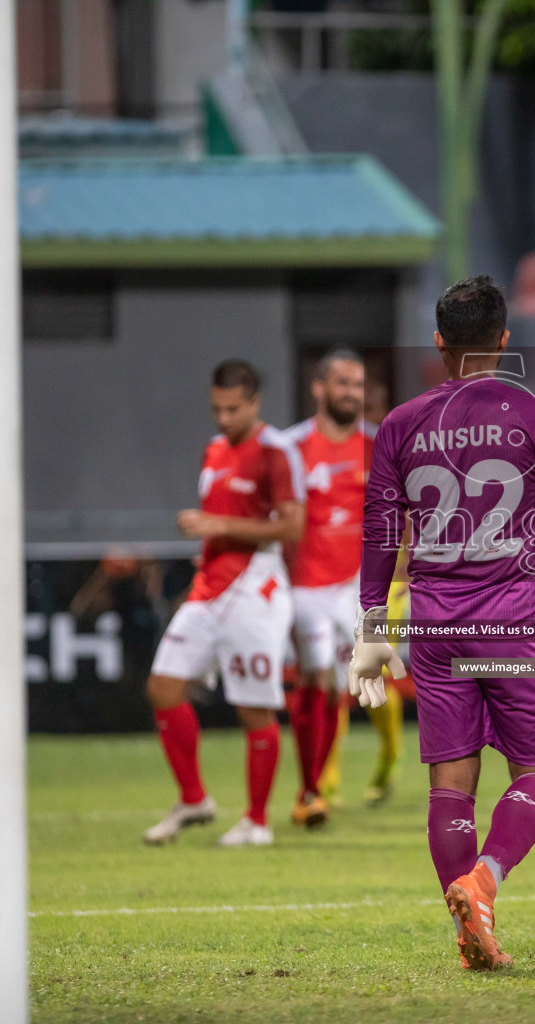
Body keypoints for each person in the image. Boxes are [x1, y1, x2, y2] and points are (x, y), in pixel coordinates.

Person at [350, 276, 535, 971]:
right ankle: (483, 881)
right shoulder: (533, 415)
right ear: (505, 341)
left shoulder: (401, 423)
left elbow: (382, 530)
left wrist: (370, 625)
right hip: (509, 616)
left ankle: (467, 931)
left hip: (435, 622)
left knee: (452, 781)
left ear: (439, 343)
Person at [142, 360, 304, 848]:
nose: (223, 419)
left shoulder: (276, 452)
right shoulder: (213, 451)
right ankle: (194, 798)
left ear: (254, 403)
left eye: (233, 409)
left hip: (255, 590)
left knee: (254, 708)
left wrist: (218, 528)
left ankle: (257, 820)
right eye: (217, 409)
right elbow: (225, 516)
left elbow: (293, 526)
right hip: (209, 587)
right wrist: (208, 544)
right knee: (163, 687)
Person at [281, 350, 376, 827]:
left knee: (344, 686)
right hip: (305, 586)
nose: (351, 393)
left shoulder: (377, 445)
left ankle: (318, 784)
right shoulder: (289, 447)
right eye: (341, 383)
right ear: (318, 388)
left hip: (354, 586)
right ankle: (310, 790)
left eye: (358, 385)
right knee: (316, 676)